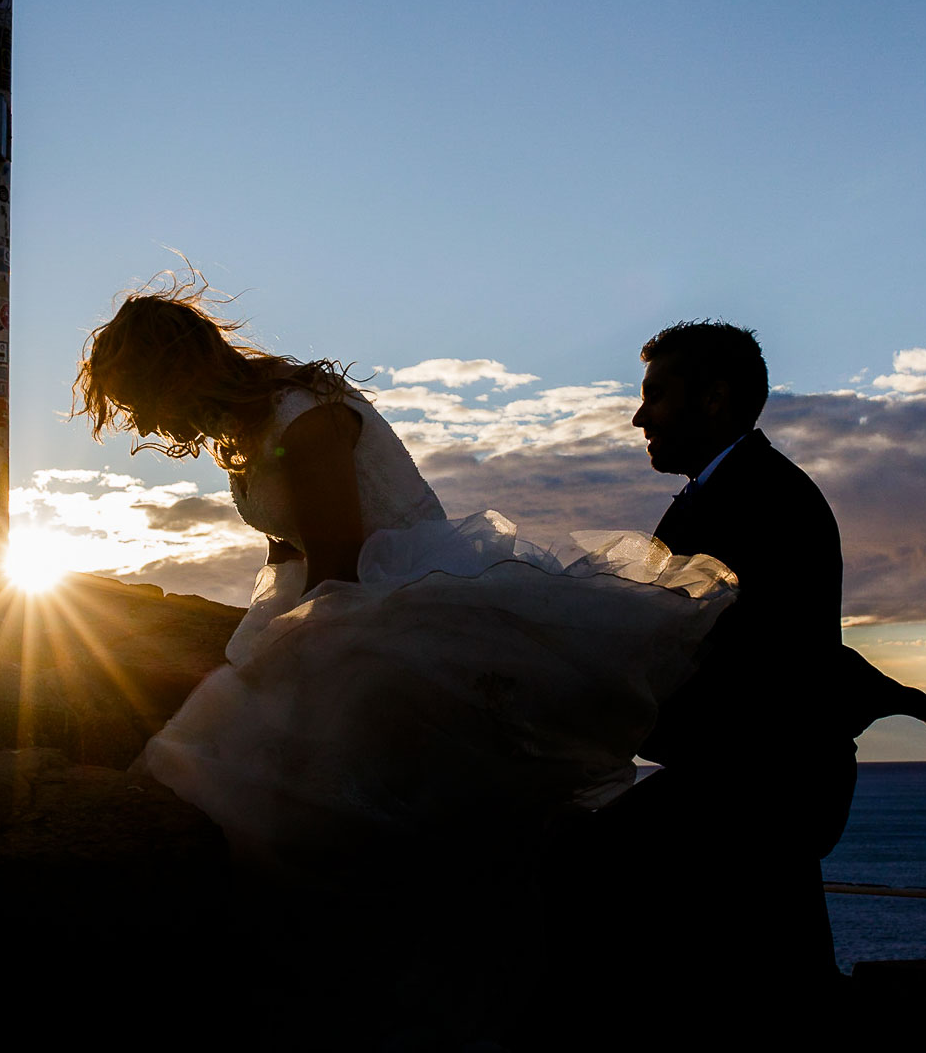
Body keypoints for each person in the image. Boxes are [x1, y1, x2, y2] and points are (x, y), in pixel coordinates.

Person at [75, 277, 739, 1044]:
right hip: (346, 601)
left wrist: (279, 680)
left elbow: (338, 560)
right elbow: (284, 554)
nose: (147, 422)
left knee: (327, 803)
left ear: (173, 372)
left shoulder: (305, 412)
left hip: (402, 607)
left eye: (141, 399)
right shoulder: (242, 427)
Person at [539, 321, 926, 1044]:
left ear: (714, 399)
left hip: (761, 785)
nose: (638, 416)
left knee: (580, 885)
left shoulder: (763, 499)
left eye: (655, 396)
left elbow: (742, 664)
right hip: (751, 780)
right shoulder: (723, 493)